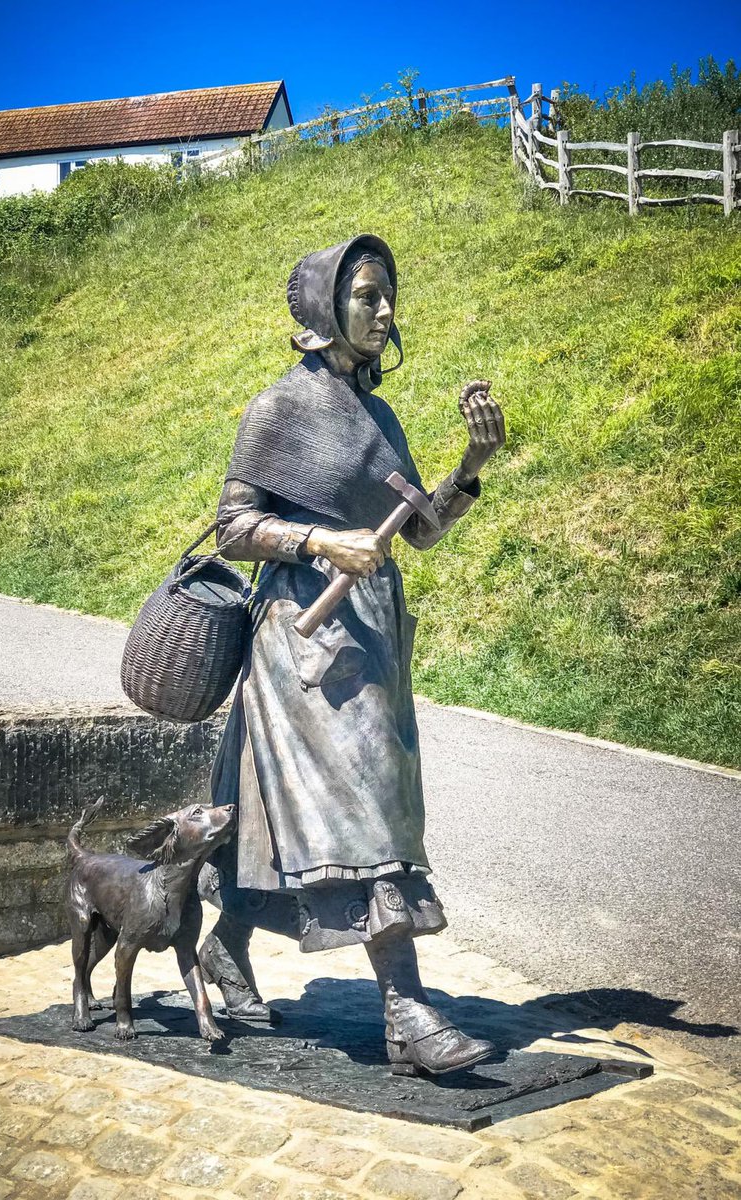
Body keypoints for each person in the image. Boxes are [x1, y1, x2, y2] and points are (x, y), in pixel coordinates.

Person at [197, 234, 506, 1077]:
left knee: (327, 816)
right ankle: (406, 1012)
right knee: (370, 817)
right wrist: (321, 541)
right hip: (301, 638)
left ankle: (223, 940)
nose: (384, 311)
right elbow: (231, 528)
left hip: (372, 641)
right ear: (322, 308)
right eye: (367, 295)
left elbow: (425, 529)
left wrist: (473, 463)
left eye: (387, 296)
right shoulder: (277, 409)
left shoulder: (381, 416)